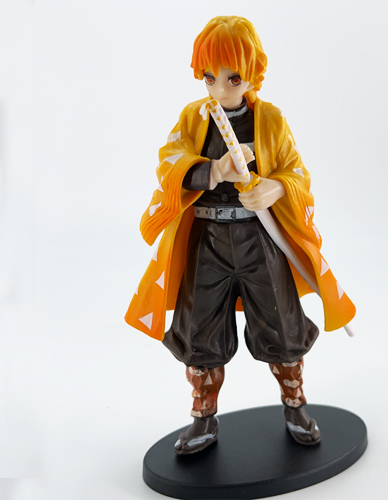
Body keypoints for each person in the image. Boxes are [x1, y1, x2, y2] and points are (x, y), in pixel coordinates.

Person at [125, 16, 356, 454]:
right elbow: (169, 161)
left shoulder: (270, 120)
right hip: (208, 241)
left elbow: (297, 172)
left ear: (253, 74)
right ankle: (203, 416)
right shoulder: (194, 118)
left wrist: (275, 188)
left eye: (232, 78)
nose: (221, 89)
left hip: (258, 239)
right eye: (210, 77)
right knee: (199, 330)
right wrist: (212, 171)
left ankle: (294, 404)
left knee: (281, 323)